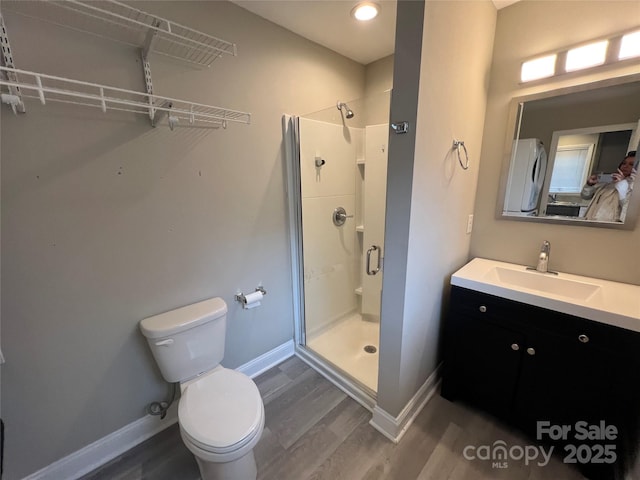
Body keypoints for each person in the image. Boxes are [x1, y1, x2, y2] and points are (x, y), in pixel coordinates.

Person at [581, 151, 637, 222]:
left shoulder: (634, 186)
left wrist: (622, 184)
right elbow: (585, 196)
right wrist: (589, 185)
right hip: (590, 222)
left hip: (610, 227)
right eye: (624, 163)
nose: (625, 166)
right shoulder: (608, 182)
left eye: (631, 164)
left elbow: (629, 210)